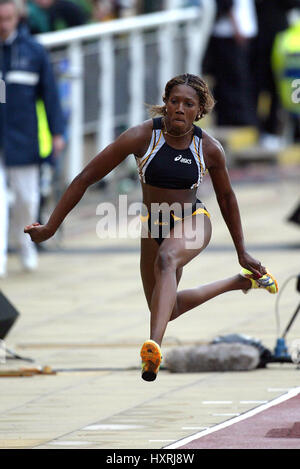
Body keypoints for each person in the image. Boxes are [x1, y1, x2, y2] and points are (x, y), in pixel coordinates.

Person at [24, 73, 278, 382]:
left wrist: (242, 250)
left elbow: (226, 197)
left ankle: (153, 348)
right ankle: (239, 283)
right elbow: (84, 178)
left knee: (168, 258)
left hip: (193, 221)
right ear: (165, 104)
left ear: (199, 111)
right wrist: (51, 226)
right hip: (153, 225)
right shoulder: (142, 137)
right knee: (167, 309)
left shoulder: (209, 148)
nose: (180, 109)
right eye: (174, 102)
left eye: (188, 104)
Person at [0, 0, 65, 277]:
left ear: (17, 18)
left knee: (27, 198)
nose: (3, 25)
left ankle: (26, 244)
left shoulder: (34, 52)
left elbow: (49, 94)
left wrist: (57, 132)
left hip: (24, 136)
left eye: (7, 19)